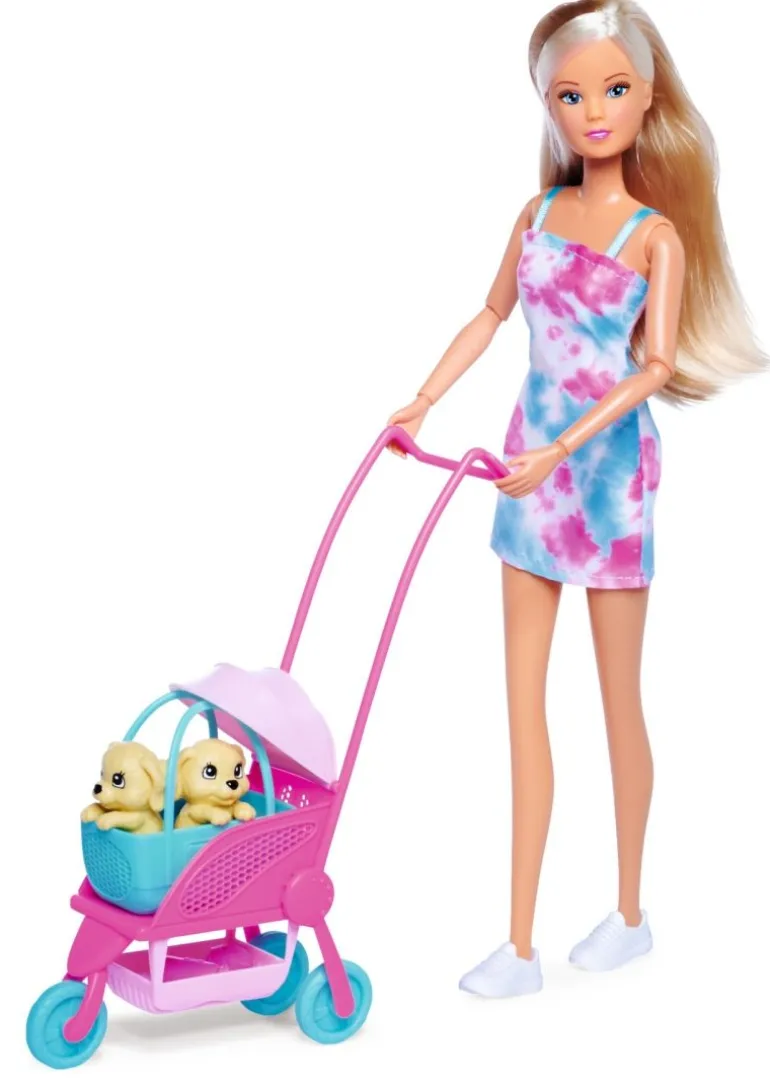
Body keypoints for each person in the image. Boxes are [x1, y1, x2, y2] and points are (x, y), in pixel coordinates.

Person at [386, 0, 766, 998]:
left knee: (615, 702)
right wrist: (422, 400)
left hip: (603, 482)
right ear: (546, 106)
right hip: (527, 476)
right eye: (568, 95)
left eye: (612, 90)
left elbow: (651, 369)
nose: (592, 112)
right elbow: (489, 314)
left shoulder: (655, 238)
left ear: (646, 96)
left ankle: (628, 914)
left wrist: (561, 445)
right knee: (521, 709)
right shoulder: (535, 215)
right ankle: (517, 945)